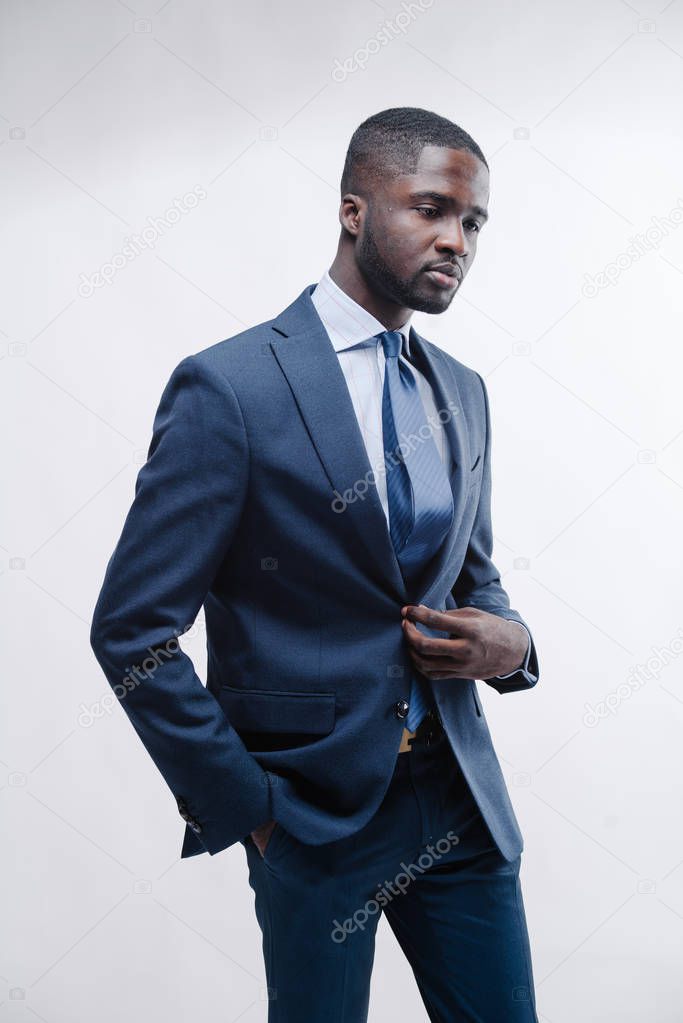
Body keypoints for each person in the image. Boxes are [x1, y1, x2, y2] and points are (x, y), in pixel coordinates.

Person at [90, 106, 540, 1021]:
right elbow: (132, 629)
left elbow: (474, 577)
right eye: (431, 209)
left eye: (474, 222)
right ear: (353, 210)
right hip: (310, 816)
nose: (456, 239)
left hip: (457, 801)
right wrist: (252, 809)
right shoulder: (233, 387)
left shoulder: (460, 390)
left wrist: (509, 641)